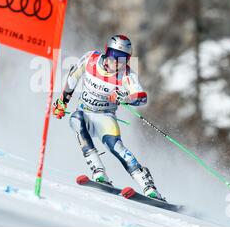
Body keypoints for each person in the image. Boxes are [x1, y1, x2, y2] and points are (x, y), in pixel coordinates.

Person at [52, 34, 163, 199]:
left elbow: (142, 97)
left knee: (117, 148)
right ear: (107, 53)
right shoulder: (91, 59)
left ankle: (149, 187)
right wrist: (62, 102)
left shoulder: (127, 75)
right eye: (114, 56)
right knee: (75, 120)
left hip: (105, 117)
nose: (118, 62)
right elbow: (72, 78)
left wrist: (124, 98)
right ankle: (99, 171)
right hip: (85, 113)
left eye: (123, 59)